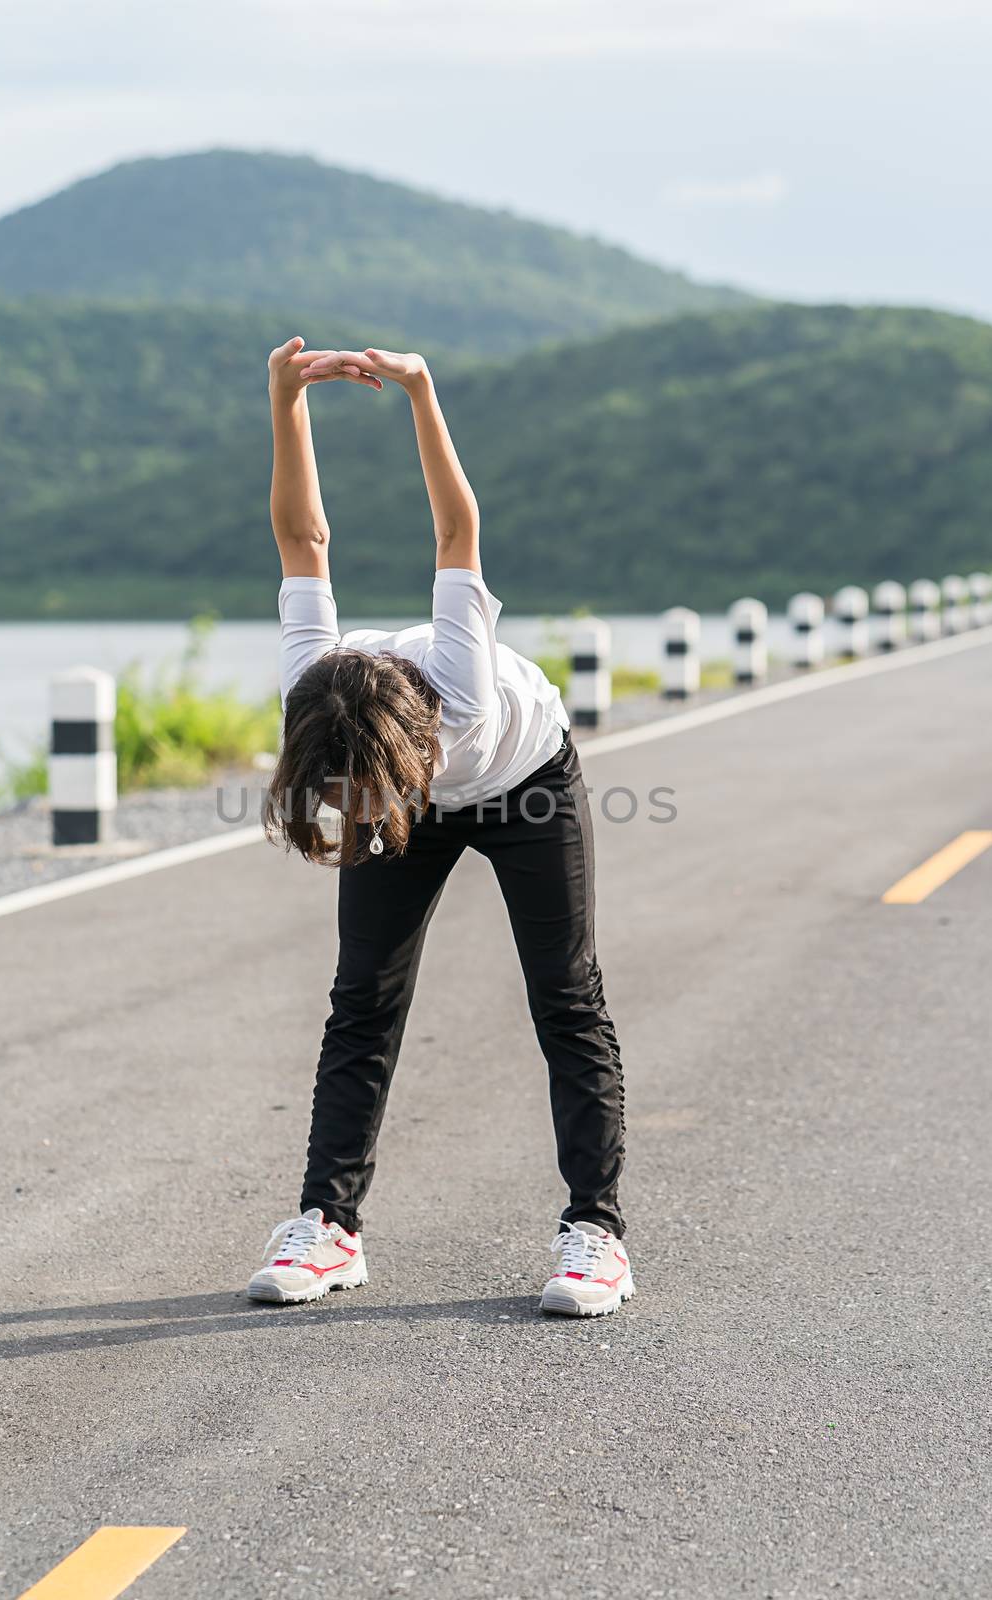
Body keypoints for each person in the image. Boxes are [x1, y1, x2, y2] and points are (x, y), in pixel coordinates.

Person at [246, 337, 632, 1318]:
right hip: (418, 764)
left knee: (564, 994)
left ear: (412, 760)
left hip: (525, 780)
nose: (355, 818)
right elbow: (304, 542)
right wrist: (285, 399)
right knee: (360, 999)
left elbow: (455, 525)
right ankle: (328, 1227)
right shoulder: (314, 686)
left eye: (362, 800)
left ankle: (595, 1232)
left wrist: (421, 391)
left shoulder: (460, 680)